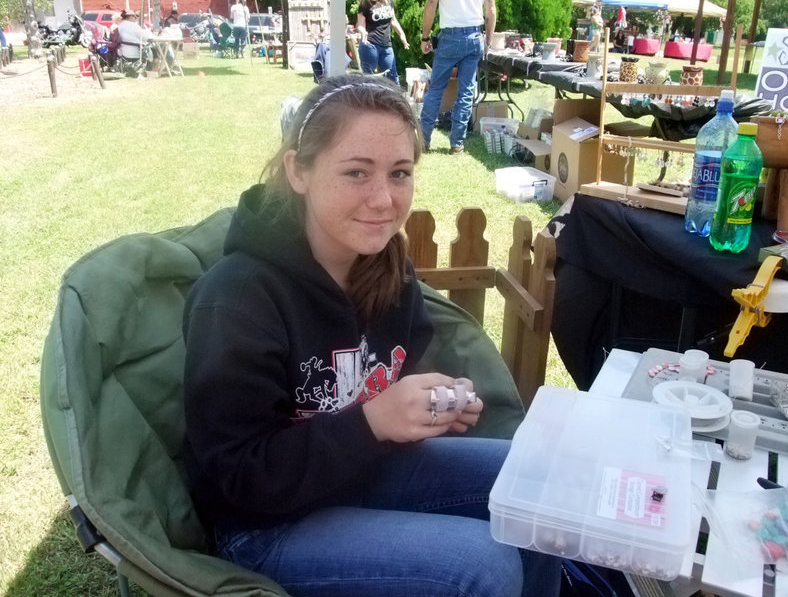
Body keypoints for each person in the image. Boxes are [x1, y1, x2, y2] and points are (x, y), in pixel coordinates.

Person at [182, 74, 562, 597]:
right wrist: (375, 421)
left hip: (363, 473)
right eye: (356, 172)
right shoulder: (238, 299)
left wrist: (427, 405)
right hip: (263, 525)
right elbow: (241, 475)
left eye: (400, 173)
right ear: (299, 170)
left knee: (536, 491)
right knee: (482, 565)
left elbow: (388, 378)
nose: (383, 199)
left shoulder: (386, 267)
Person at [419, 0, 495, 154]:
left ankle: (423, 140)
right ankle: (457, 144)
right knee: (466, 92)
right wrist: (488, 41)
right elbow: (491, 10)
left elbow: (431, 4)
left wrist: (425, 37)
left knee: (435, 90)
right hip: (475, 37)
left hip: (450, 37)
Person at [356, 0, 409, 84]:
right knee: (369, 78)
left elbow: (393, 21)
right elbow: (360, 25)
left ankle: (395, 97)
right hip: (369, 44)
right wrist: (363, 32)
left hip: (386, 45)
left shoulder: (388, 1)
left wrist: (402, 34)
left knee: (392, 77)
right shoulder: (364, 4)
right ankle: (368, 97)